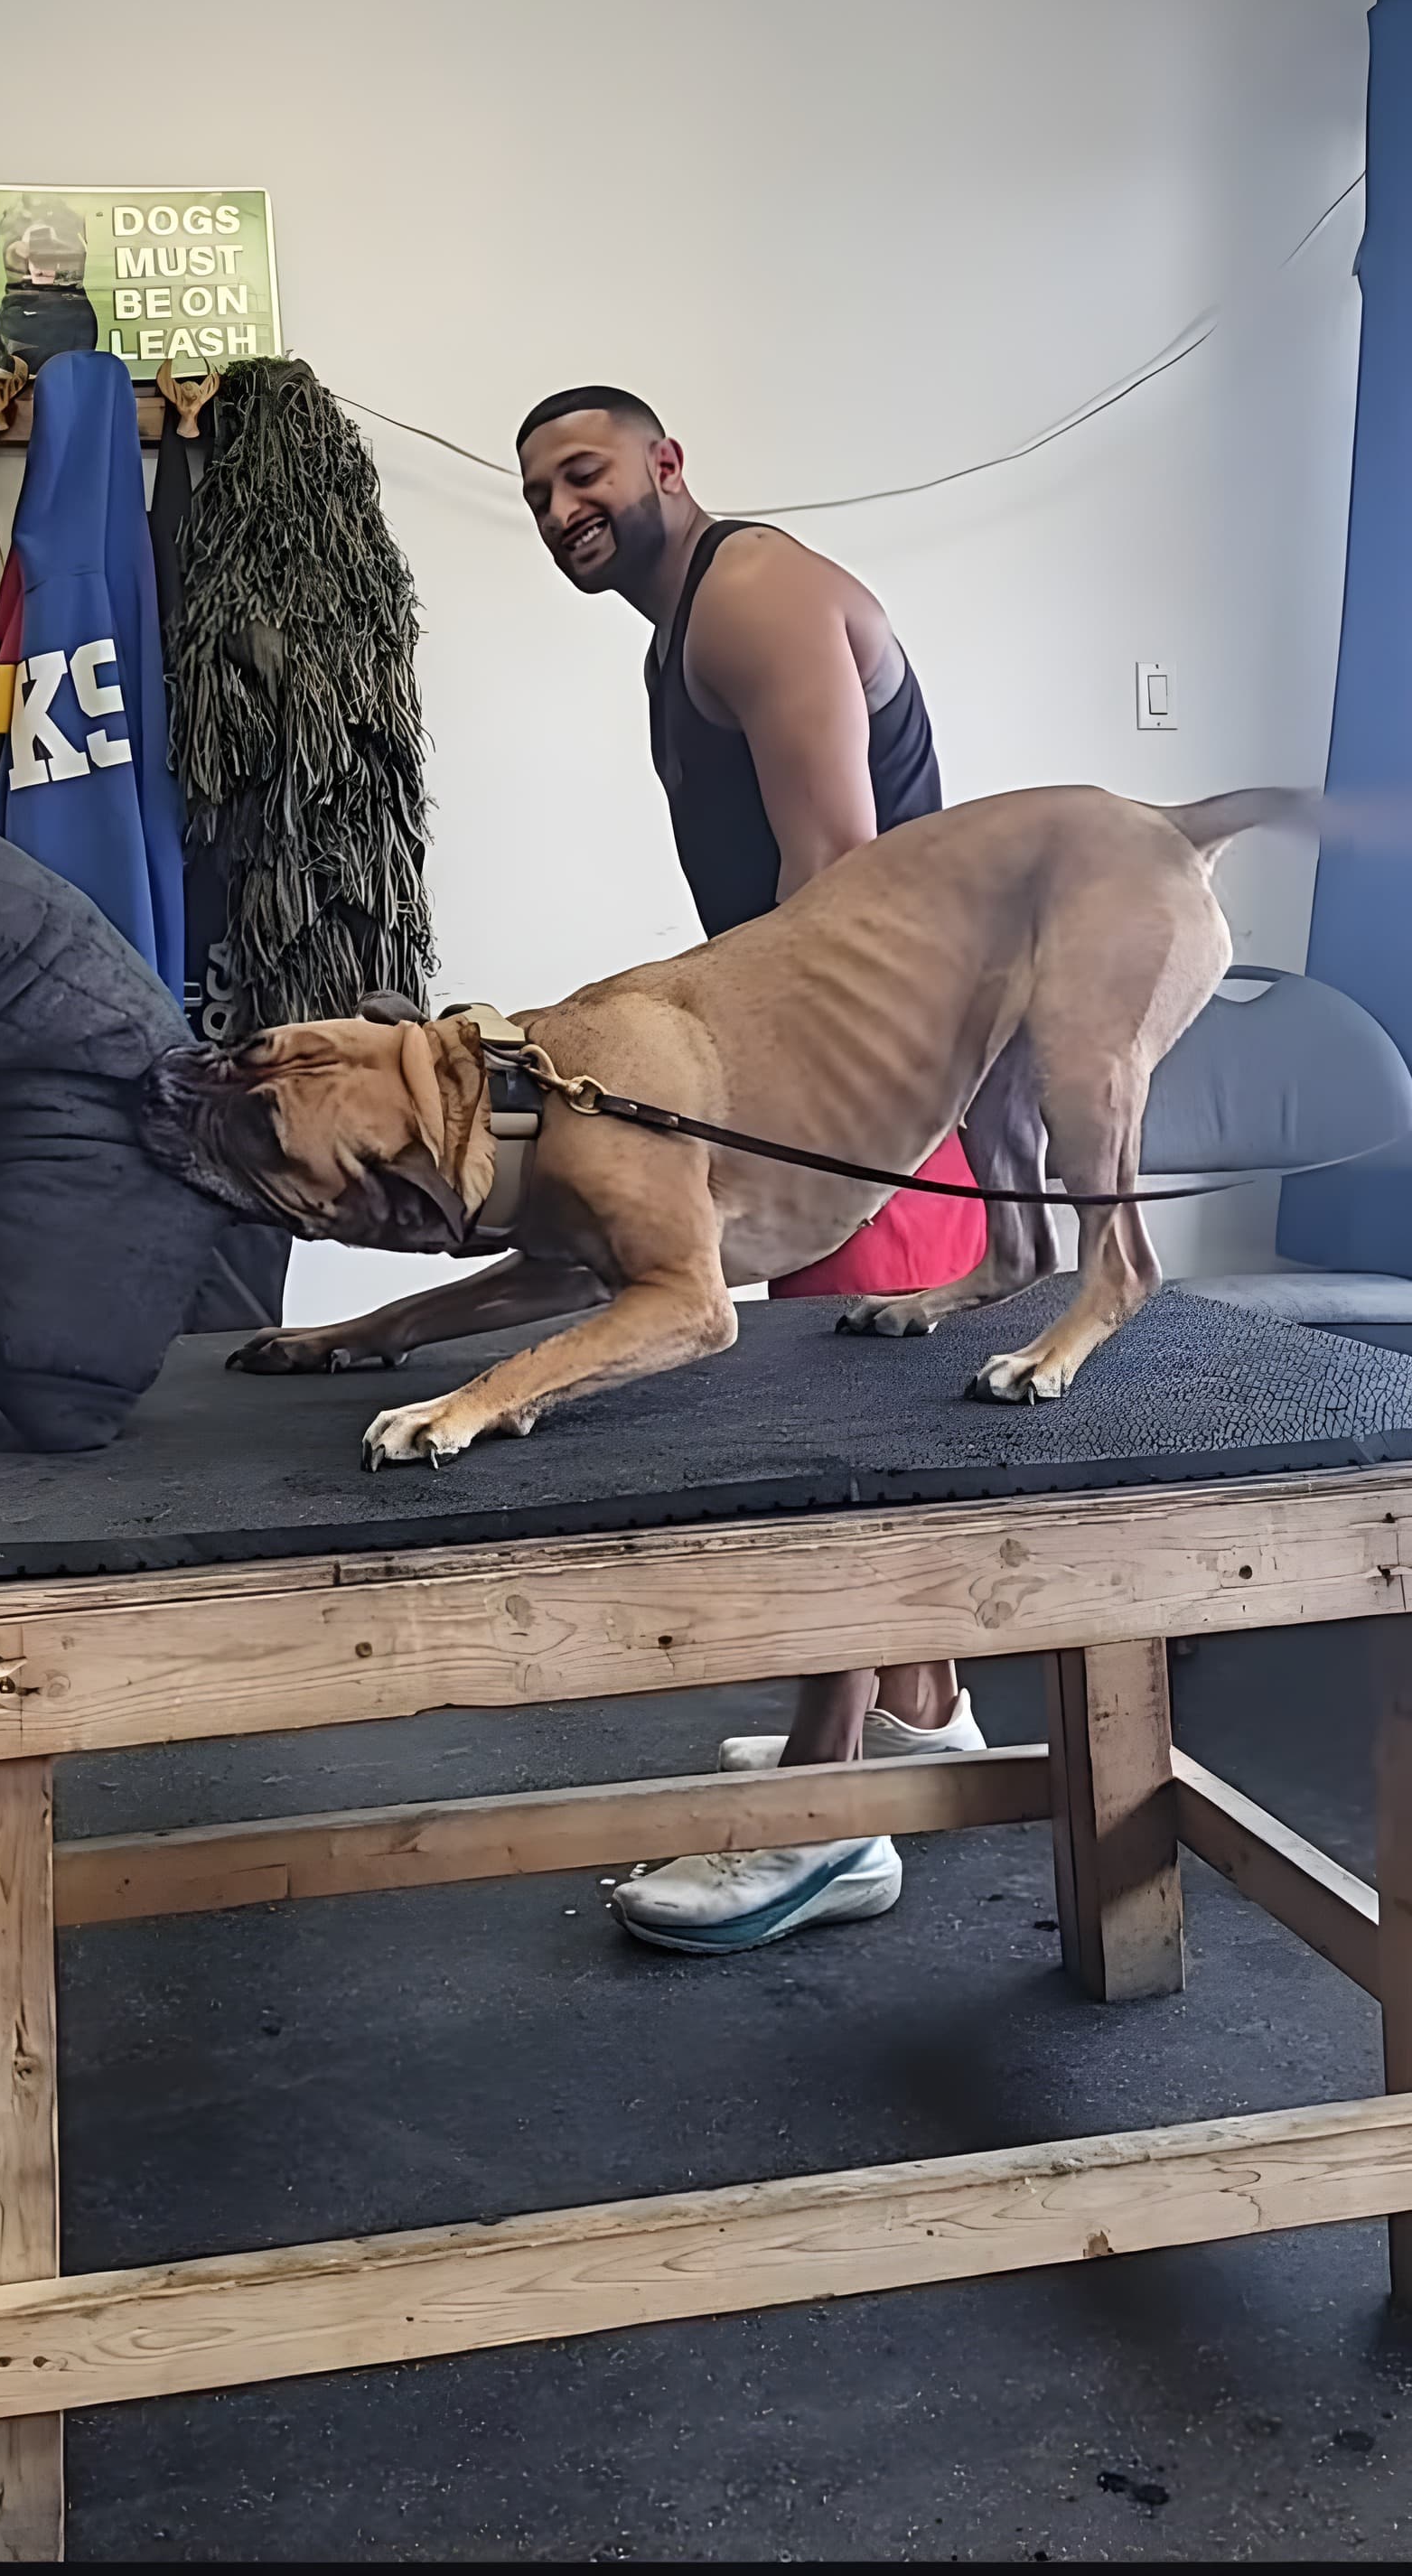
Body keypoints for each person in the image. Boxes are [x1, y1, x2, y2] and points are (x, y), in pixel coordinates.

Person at [517, 385, 996, 1955]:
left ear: (667, 461)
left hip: (861, 1079)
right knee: (867, 1416)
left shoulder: (755, 597)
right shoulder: (690, 619)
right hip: (867, 1070)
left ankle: (823, 1818)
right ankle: (921, 1707)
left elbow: (840, 877)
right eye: (537, 493)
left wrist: (755, 1100)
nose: (562, 507)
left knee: (832, 1438)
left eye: (584, 472)